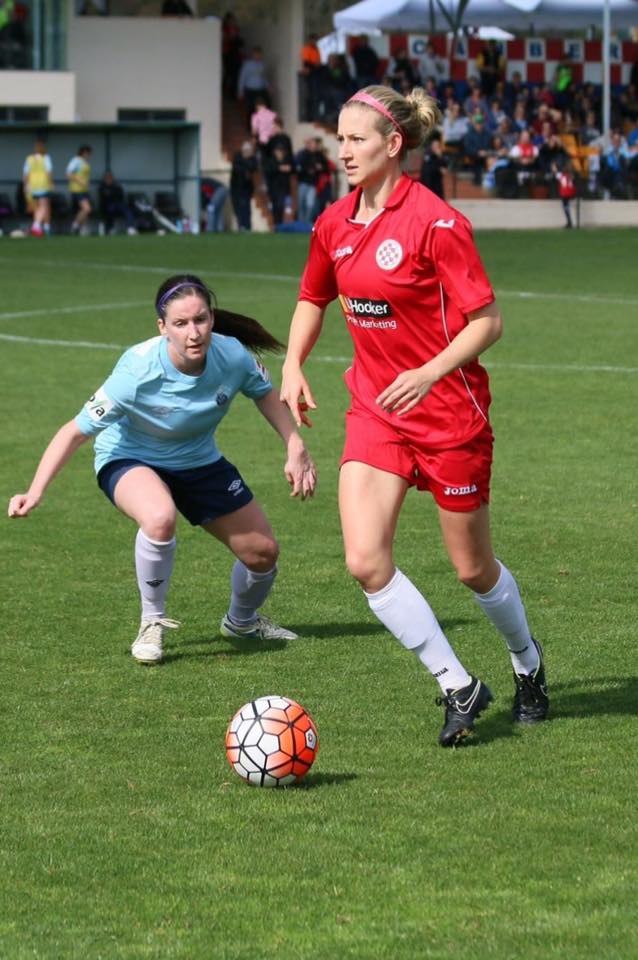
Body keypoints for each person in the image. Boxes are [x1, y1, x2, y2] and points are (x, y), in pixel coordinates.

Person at [280, 84, 549, 748]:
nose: (342, 151)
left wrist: (428, 373)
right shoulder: (334, 223)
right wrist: (292, 364)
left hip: (449, 415)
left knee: (472, 569)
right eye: (338, 138)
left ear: (393, 144)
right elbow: (314, 296)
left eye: (356, 139)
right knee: (365, 559)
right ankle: (457, 684)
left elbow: (487, 321)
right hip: (375, 411)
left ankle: (528, 664)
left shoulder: (436, 222)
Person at [8, 275, 316, 665]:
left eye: (201, 320)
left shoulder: (232, 356)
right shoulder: (136, 371)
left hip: (198, 461)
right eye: (181, 324)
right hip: (130, 457)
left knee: (262, 554)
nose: (193, 333)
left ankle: (241, 622)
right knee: (159, 517)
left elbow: (265, 396)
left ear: (212, 318)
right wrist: (35, 491)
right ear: (162, 327)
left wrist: (295, 445)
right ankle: (150, 622)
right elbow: (73, 432)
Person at [22, 138, 53, 237]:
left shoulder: (29, 159)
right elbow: (49, 172)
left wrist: (25, 185)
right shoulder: (45, 158)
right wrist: (51, 183)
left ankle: (38, 229)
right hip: (42, 185)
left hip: (32, 186)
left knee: (37, 208)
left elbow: (25, 174)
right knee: (44, 206)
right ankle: (36, 225)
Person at [98, 170, 136, 235]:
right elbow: (105, 197)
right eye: (107, 177)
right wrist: (111, 194)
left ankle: (130, 228)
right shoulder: (102, 187)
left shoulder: (116, 186)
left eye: (110, 177)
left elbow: (120, 195)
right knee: (110, 209)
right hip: (107, 205)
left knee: (127, 210)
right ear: (104, 179)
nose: (108, 179)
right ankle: (110, 228)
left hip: (118, 204)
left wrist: (111, 194)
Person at [230, 140, 257, 231]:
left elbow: (253, 167)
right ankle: (241, 225)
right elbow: (237, 169)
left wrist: (245, 163)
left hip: (246, 188)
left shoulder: (252, 158)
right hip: (236, 187)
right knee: (238, 207)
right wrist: (246, 163)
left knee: (246, 207)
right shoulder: (237, 156)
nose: (247, 152)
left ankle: (247, 226)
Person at [66, 144, 92, 235]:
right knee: (87, 209)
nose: (89, 156)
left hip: (84, 190)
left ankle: (83, 229)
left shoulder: (85, 162)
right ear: (84, 152)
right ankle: (75, 225)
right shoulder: (76, 160)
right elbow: (69, 174)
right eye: (88, 153)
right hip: (77, 189)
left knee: (84, 210)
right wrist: (80, 181)